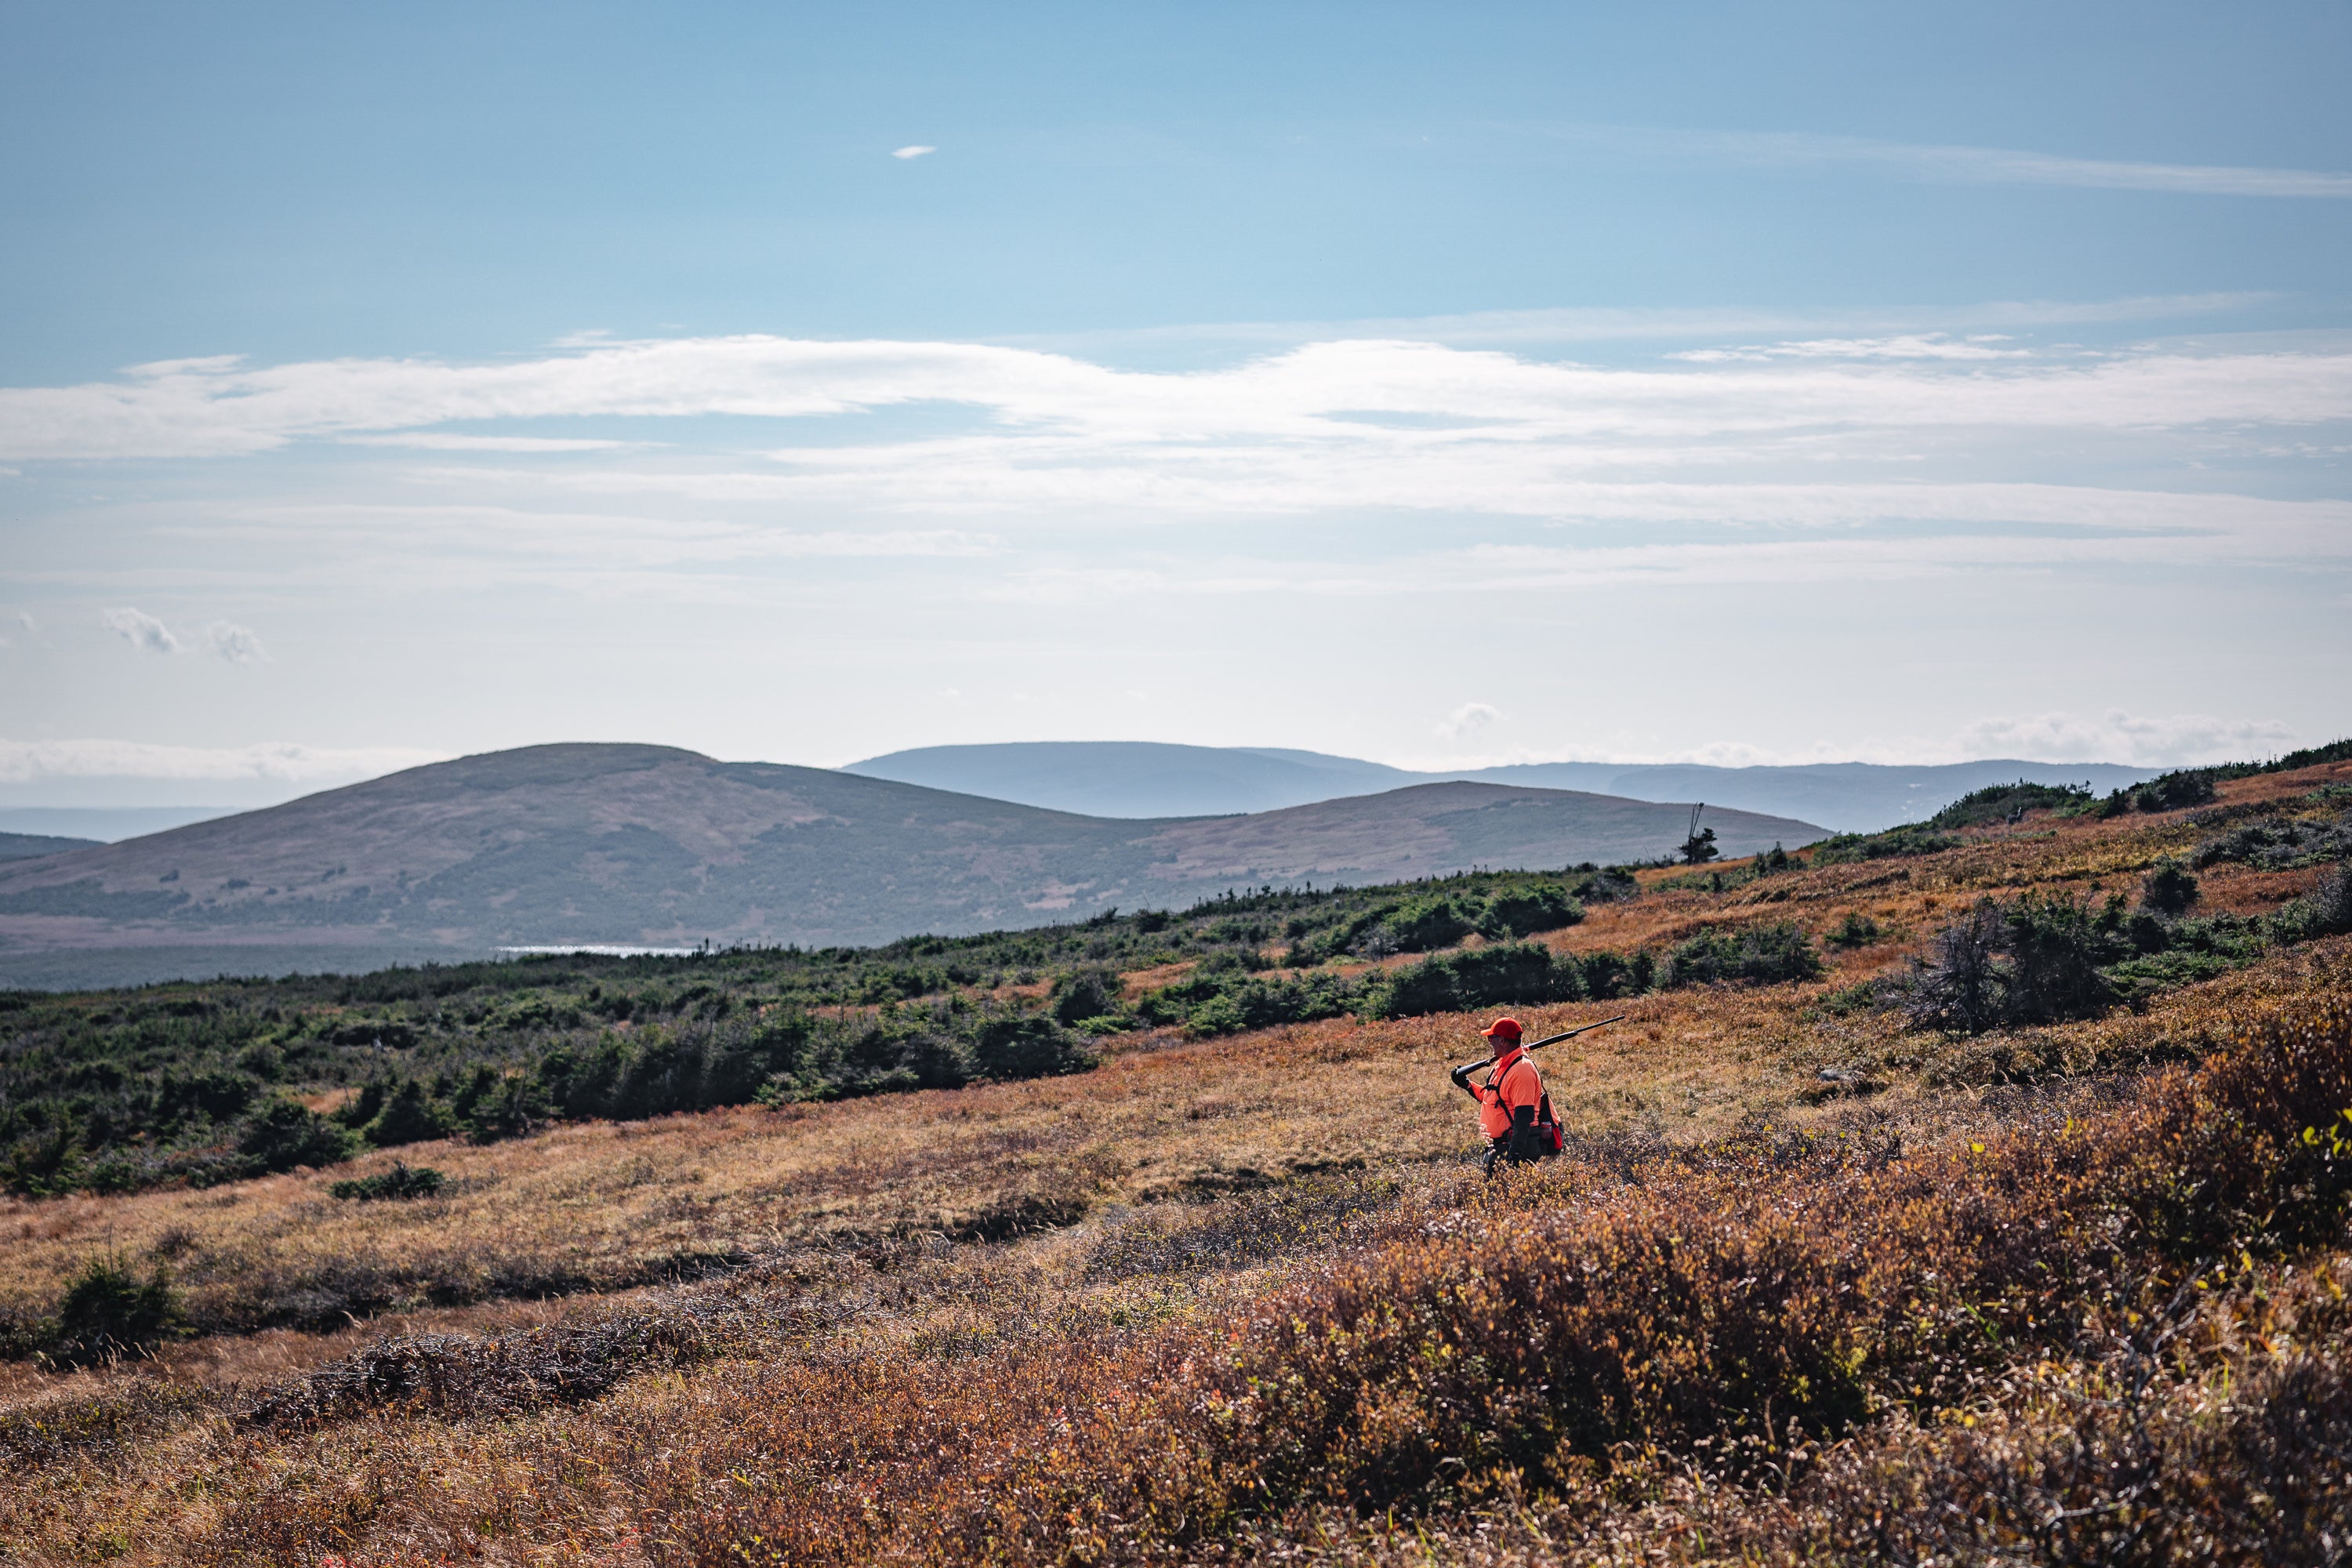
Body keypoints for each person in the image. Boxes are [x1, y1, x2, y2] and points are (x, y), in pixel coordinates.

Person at [1450, 1016, 1553, 1174]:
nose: (1489, 1041)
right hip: (1501, 1147)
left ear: (1503, 1041)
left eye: (1491, 1037)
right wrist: (1467, 1084)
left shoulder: (1522, 1069)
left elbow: (1524, 1116)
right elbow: (1492, 1097)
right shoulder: (1502, 1064)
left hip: (1516, 1147)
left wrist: (1515, 1154)